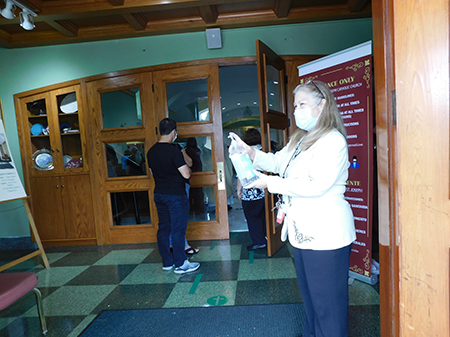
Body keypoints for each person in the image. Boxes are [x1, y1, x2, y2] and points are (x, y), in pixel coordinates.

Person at [229, 80, 356, 337]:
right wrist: (251, 153)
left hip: (326, 234)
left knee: (327, 305)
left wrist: (269, 183)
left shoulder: (332, 141)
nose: (297, 110)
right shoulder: (300, 138)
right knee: (310, 301)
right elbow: (277, 161)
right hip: (301, 231)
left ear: (322, 105)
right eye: (295, 104)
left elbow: (317, 185)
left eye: (302, 104)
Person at [147, 118, 200, 274]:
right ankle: (181, 263)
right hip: (176, 195)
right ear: (174, 132)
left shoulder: (151, 151)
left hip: (159, 194)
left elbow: (152, 173)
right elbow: (186, 173)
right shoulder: (173, 151)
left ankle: (167, 262)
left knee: (163, 228)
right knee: (178, 229)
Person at [236, 128, 266, 251]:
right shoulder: (264, 151)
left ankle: (258, 241)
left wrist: (239, 189)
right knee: (264, 216)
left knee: (252, 217)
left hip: (250, 192)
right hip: (264, 190)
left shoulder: (244, 153)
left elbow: (240, 173)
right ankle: (266, 237)